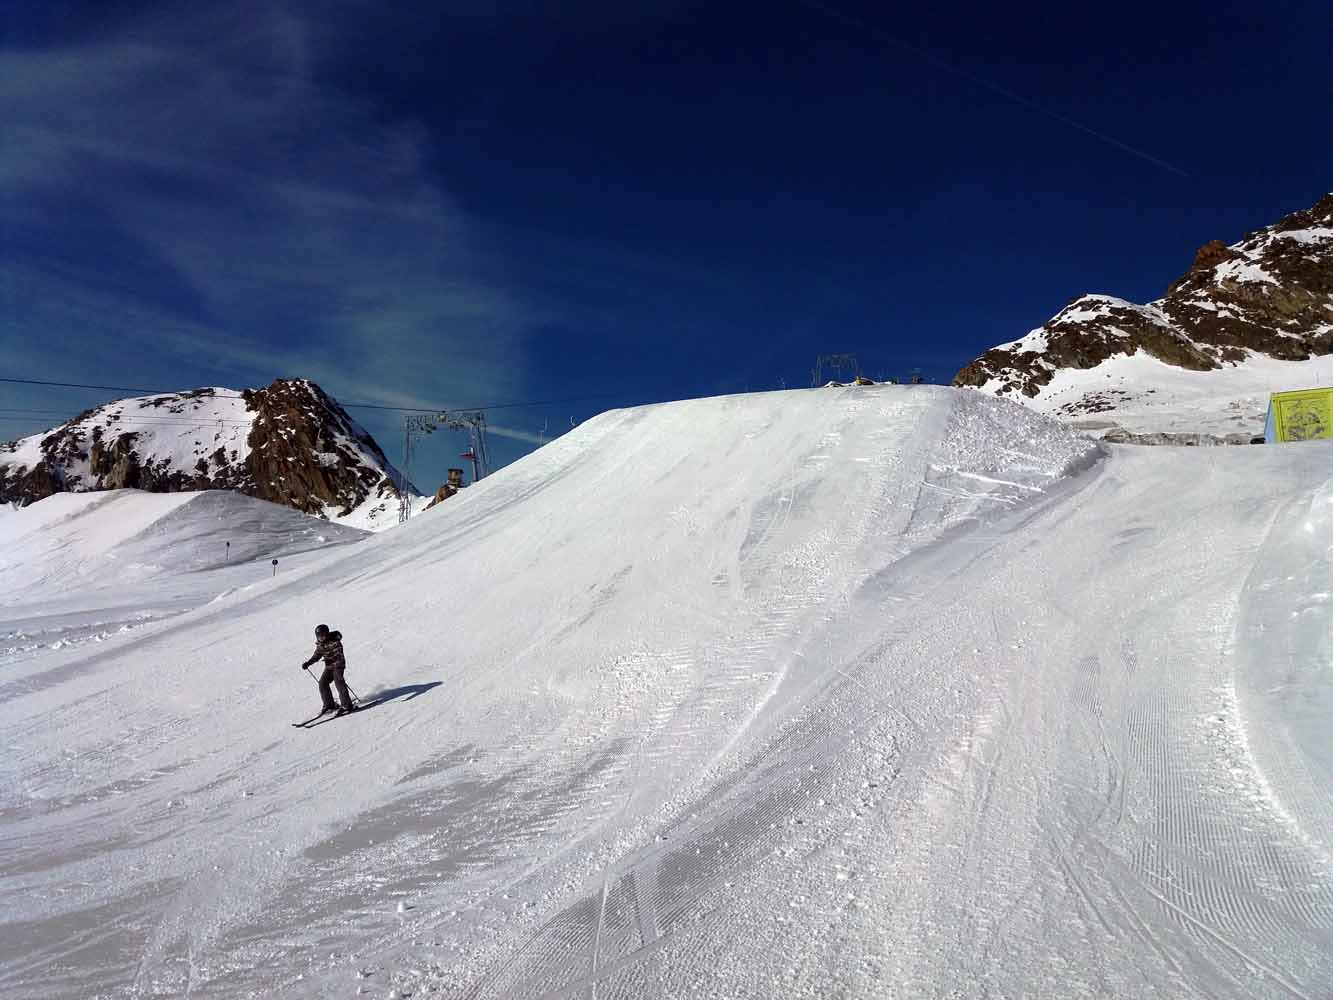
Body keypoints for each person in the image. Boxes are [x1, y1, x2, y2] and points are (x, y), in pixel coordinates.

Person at [301, 624, 356, 716]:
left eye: (323, 636)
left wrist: (331, 659)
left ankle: (347, 705)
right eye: (319, 636)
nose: (321, 638)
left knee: (338, 682)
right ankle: (329, 705)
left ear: (327, 634)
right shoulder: (320, 644)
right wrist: (308, 663)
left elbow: (338, 653)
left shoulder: (335, 641)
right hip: (329, 667)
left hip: (338, 665)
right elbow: (317, 655)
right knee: (322, 683)